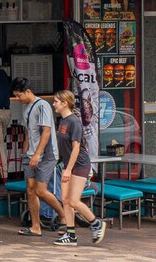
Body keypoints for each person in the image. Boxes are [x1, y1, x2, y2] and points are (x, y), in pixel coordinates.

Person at [15, 77, 68, 238]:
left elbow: (46, 131)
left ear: (28, 91)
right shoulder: (26, 108)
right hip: (30, 154)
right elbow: (28, 132)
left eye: (19, 95)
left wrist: (37, 154)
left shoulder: (42, 105)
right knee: (30, 190)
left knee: (40, 190)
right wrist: (26, 152)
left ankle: (64, 216)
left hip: (46, 155)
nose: (17, 98)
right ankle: (35, 227)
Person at [53, 89, 105, 247]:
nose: (54, 104)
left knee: (73, 200)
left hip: (80, 165)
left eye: (56, 101)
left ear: (64, 103)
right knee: (65, 200)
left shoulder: (74, 122)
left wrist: (68, 170)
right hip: (67, 164)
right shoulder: (63, 121)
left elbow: (76, 148)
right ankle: (71, 235)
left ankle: (96, 224)